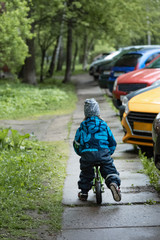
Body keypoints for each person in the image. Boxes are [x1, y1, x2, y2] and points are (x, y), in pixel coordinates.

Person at [73, 98, 121, 202]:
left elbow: (76, 143)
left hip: (87, 155)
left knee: (86, 173)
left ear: (85, 113)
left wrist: (81, 153)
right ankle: (113, 183)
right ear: (98, 112)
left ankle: (84, 193)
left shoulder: (82, 127)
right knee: (109, 170)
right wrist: (109, 153)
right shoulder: (104, 125)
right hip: (103, 153)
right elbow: (112, 141)